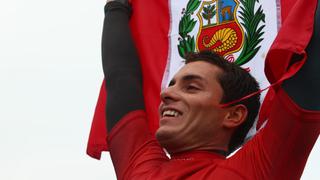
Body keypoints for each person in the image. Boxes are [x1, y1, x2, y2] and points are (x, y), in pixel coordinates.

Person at [102, 0, 320, 179]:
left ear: (234, 114)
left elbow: (310, 65)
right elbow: (120, 78)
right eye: (172, 84)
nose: (166, 94)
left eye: (191, 87)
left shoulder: (259, 168)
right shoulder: (139, 166)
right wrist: (116, 6)